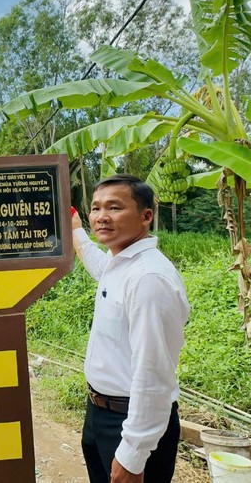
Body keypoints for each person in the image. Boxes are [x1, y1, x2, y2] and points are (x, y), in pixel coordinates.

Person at [71, 174, 190, 483]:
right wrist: (76, 230)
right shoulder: (119, 264)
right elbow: (96, 264)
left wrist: (133, 454)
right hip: (99, 412)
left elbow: (153, 375)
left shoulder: (148, 278)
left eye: (114, 208)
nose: (101, 217)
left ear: (145, 216)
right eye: (95, 208)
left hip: (129, 423)